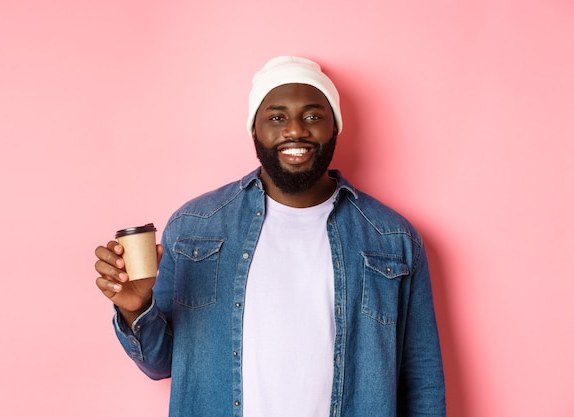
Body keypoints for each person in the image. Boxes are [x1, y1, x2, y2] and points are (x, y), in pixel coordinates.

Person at [94, 56, 446, 417]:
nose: (295, 130)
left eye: (313, 116)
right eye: (277, 117)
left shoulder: (391, 237)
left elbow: (422, 382)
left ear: (335, 128)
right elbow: (161, 363)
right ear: (255, 130)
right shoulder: (195, 227)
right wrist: (136, 307)